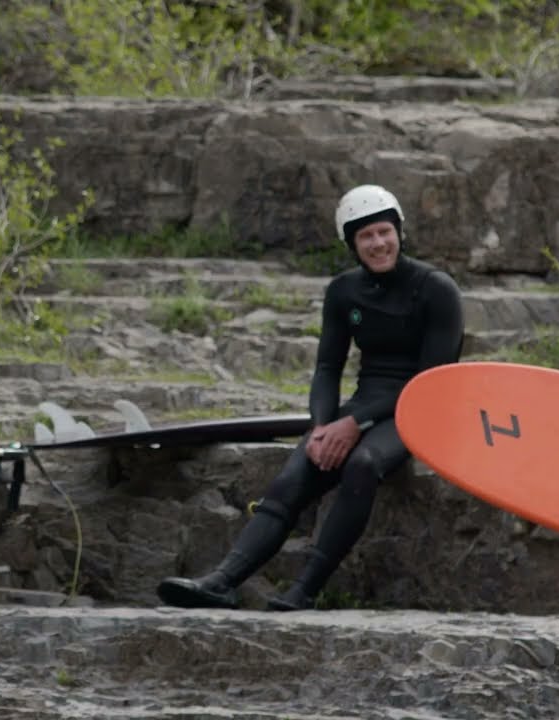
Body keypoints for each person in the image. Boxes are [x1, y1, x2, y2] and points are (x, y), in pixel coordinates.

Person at [156, 184, 465, 611]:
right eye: (365, 237)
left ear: (399, 231)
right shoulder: (343, 292)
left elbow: (431, 381)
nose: (377, 244)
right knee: (295, 472)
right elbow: (326, 369)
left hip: (422, 407)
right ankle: (222, 581)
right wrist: (321, 427)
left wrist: (353, 424)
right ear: (352, 245)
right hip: (366, 404)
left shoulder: (436, 288)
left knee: (362, 464)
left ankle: (304, 591)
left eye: (383, 232)